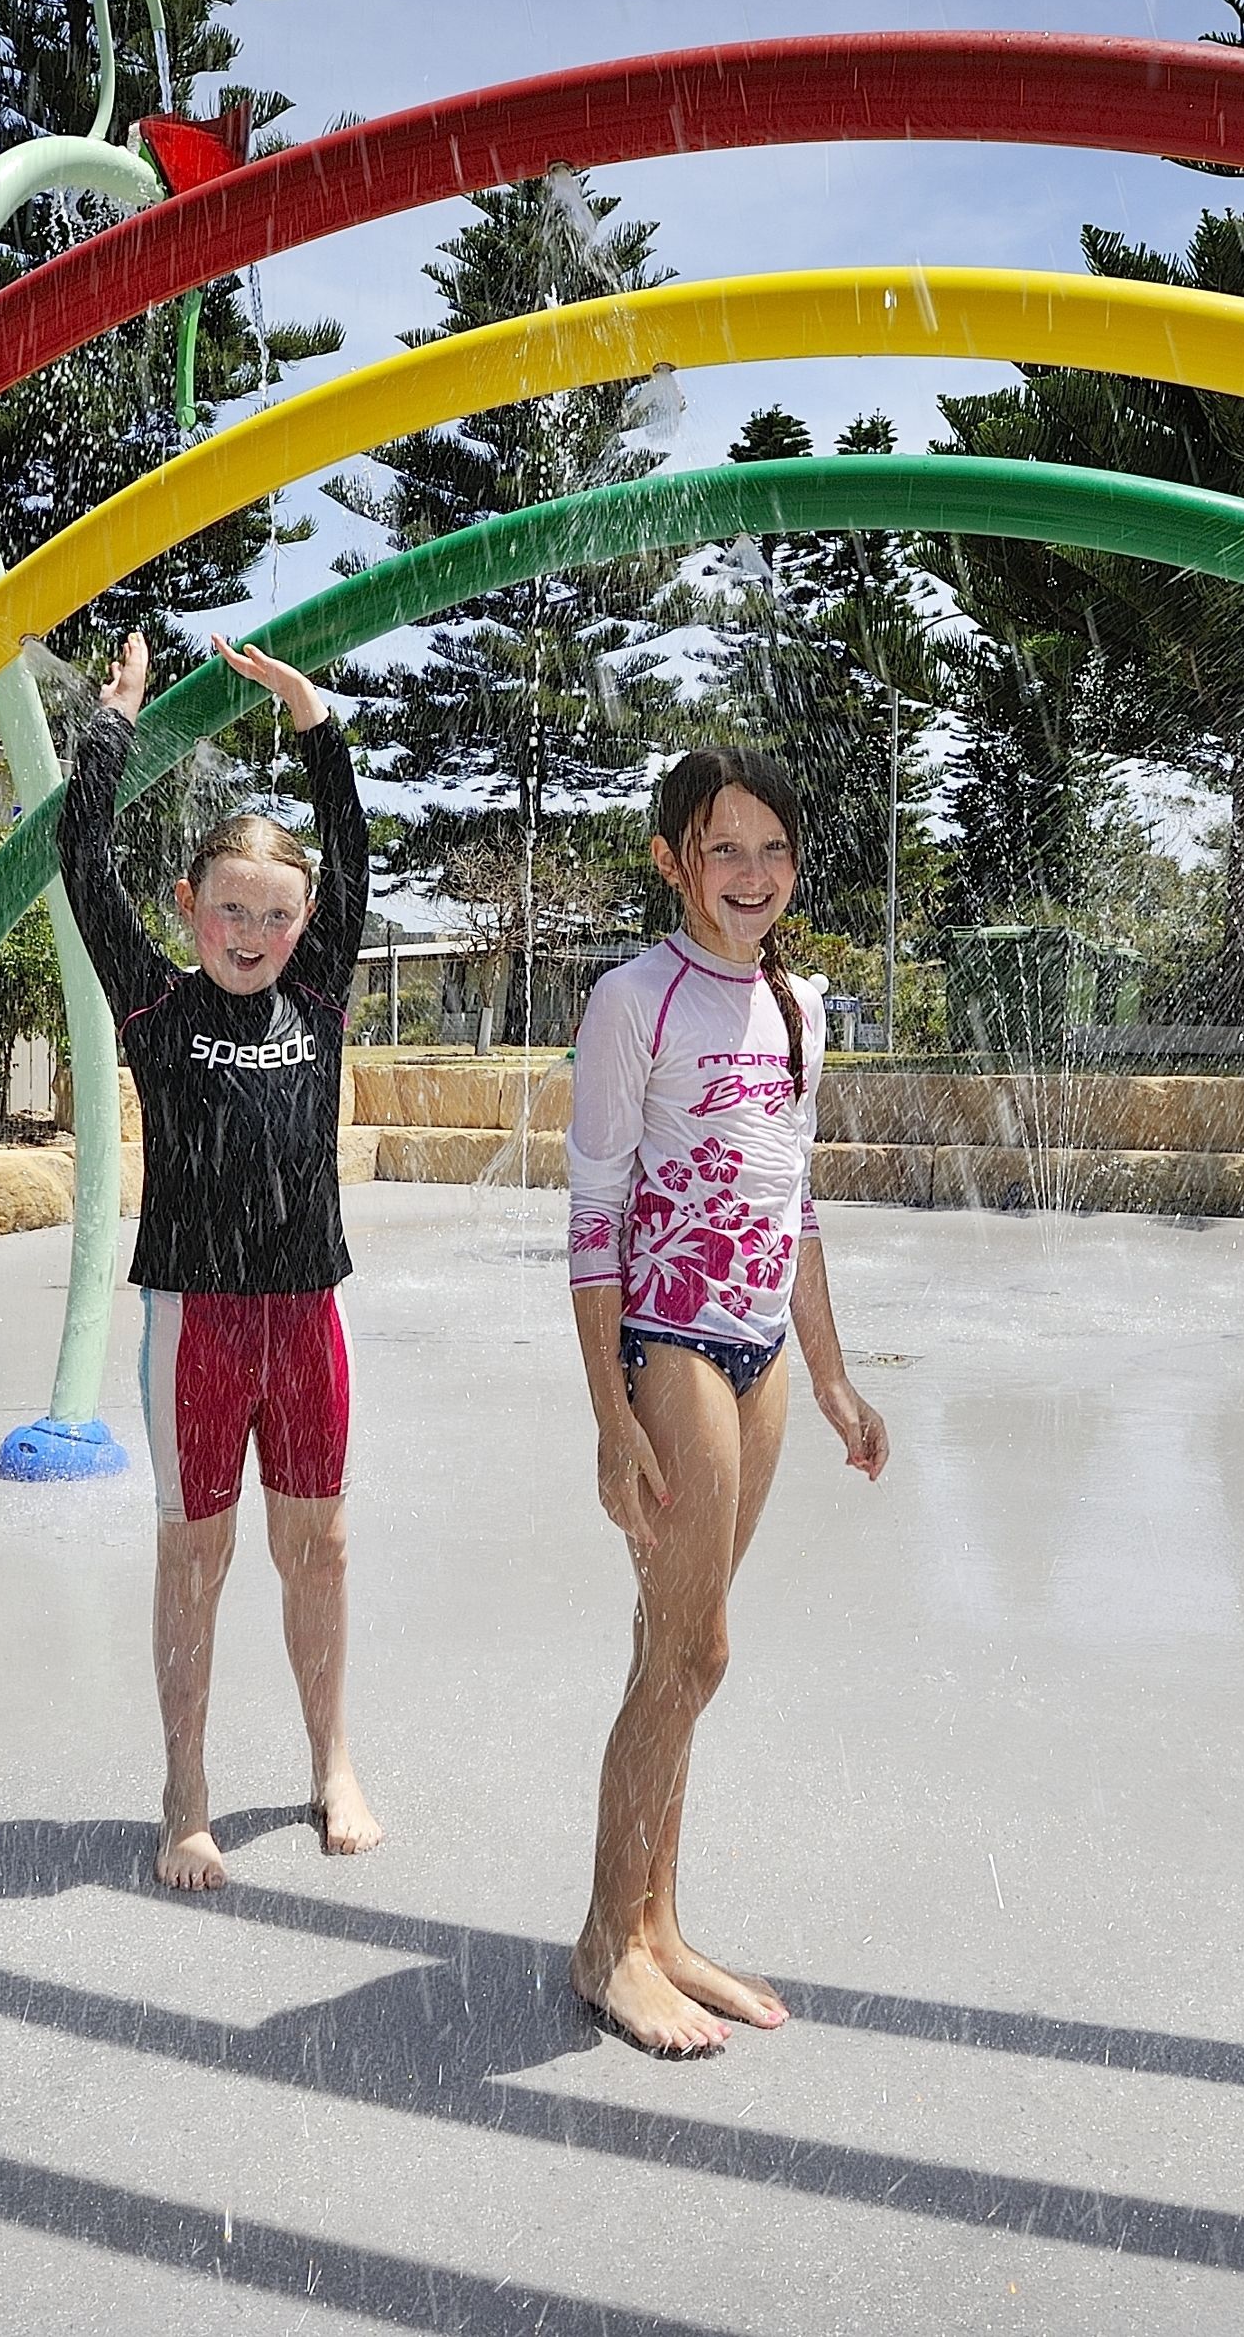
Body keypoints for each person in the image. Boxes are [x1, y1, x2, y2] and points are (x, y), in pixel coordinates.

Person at [562, 747, 893, 2059]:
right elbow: (593, 1216)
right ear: (672, 859)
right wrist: (609, 1413)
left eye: (771, 849)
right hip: (671, 1342)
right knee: (689, 1648)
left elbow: (791, 1203)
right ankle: (604, 1939)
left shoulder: (798, 1007)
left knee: (683, 1641)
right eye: (722, 848)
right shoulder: (633, 998)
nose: (750, 875)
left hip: (759, 1350)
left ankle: (660, 1922)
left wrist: (830, 1373)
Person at [60, 624, 378, 1892]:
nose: (253, 931)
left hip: (306, 1314)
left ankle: (330, 1759)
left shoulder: (323, 995)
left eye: (278, 913)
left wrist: (315, 721)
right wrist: (112, 725)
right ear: (190, 909)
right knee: (197, 1551)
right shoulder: (153, 1004)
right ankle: (184, 1784)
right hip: (197, 1318)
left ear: (307, 922)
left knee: (325, 1545)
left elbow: (347, 841)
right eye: (230, 908)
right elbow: (82, 858)